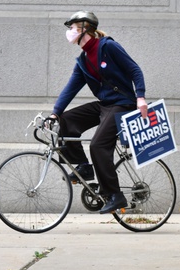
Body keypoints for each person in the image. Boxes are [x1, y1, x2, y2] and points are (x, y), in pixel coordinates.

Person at [49, 11, 148, 213]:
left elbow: (135, 70)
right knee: (67, 120)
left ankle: (115, 195)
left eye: (73, 27)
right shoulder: (83, 61)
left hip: (123, 103)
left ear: (85, 28)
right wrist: (55, 113)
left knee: (98, 144)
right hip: (105, 104)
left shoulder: (108, 46)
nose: (70, 31)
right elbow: (70, 89)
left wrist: (140, 97)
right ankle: (84, 167)